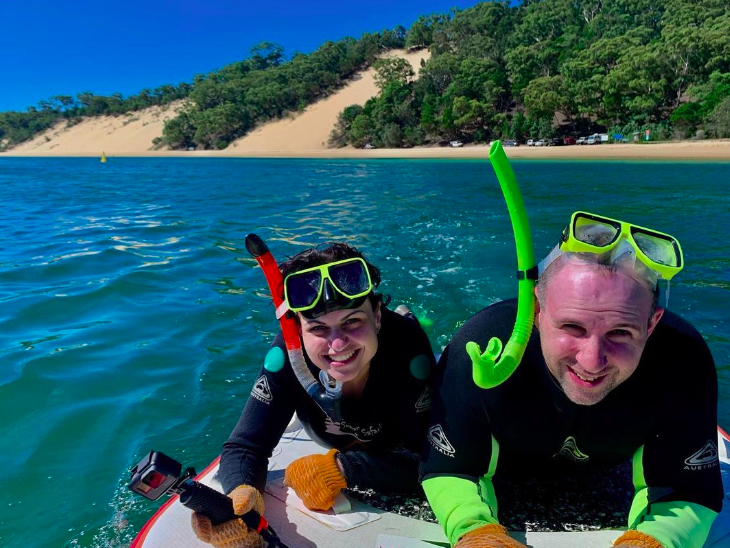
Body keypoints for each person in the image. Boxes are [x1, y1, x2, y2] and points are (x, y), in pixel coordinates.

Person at [421, 211, 723, 548]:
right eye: (573, 327)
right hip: (505, 469)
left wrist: (654, 541)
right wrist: (475, 532)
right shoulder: (480, 348)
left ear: (651, 326)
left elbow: (690, 490)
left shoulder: (682, 360)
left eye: (621, 332)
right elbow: (450, 466)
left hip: (613, 472)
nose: (592, 361)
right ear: (535, 310)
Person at [192, 242, 436, 548]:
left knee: (417, 331)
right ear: (297, 330)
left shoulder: (408, 351)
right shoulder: (288, 354)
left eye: (352, 322)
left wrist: (344, 469)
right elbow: (245, 446)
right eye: (318, 328)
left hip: (402, 344)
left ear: (376, 315)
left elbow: (438, 458)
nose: (337, 345)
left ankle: (410, 315)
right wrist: (242, 495)